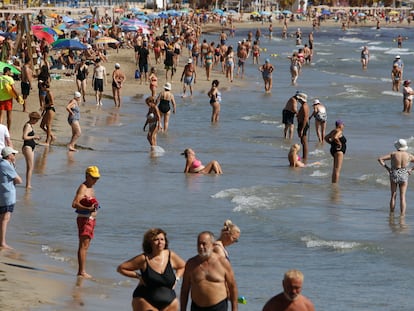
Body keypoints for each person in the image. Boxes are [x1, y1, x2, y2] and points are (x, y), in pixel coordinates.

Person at [117, 228, 186, 311]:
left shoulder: (171, 255)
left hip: (170, 302)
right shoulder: (143, 259)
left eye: (162, 239)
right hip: (145, 300)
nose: (160, 242)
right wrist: (138, 276)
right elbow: (121, 268)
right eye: (156, 240)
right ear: (150, 242)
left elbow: (184, 266)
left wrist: (177, 278)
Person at [180, 231, 238, 311]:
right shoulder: (191, 264)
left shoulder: (223, 262)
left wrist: (234, 309)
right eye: (199, 244)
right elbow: (184, 290)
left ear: (213, 245)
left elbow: (232, 287)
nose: (201, 247)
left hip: (218, 307)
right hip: (196, 307)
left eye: (204, 244)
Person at [72, 166, 101, 278]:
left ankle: (82, 270)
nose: (95, 180)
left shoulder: (91, 188)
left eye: (97, 178)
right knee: (83, 245)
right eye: (93, 178)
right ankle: (81, 271)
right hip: (84, 218)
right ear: (87, 176)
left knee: (86, 245)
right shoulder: (83, 188)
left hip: (90, 219)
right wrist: (88, 209)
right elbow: (74, 203)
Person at [378, 139, 414, 216]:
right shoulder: (409, 155)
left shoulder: (393, 154)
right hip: (404, 174)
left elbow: (380, 159)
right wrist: (411, 170)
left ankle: (391, 214)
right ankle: (402, 215)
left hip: (394, 173)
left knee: (393, 195)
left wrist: (387, 168)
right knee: (402, 196)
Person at [0, 146, 22, 249]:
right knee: (5, 218)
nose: (15, 156)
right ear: (9, 156)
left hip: (3, 194)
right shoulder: (5, 165)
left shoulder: (2, 163)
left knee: (3, 218)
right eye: (13, 154)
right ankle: (2, 242)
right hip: (7, 195)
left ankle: (2, 241)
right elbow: (19, 180)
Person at [22, 112, 41, 189]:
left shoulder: (30, 125)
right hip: (27, 147)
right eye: (36, 120)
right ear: (33, 119)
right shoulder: (27, 126)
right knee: (30, 167)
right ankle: (28, 185)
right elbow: (24, 137)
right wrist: (34, 136)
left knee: (30, 167)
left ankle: (28, 184)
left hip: (30, 147)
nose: (36, 122)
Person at [296, 93, 310, 162]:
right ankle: (304, 156)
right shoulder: (305, 105)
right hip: (302, 124)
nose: (298, 100)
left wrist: (302, 129)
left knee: (304, 142)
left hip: (303, 124)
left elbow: (305, 118)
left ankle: (305, 158)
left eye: (299, 99)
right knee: (303, 141)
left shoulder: (304, 106)